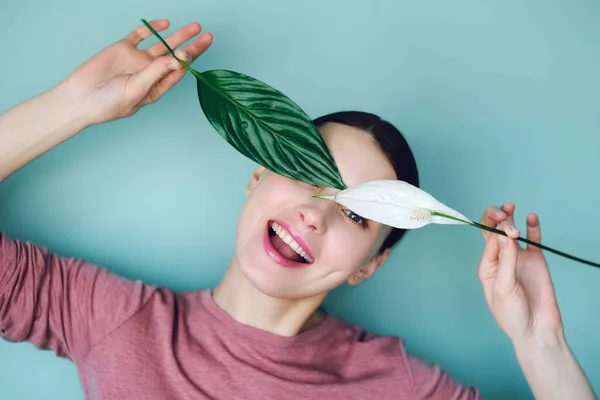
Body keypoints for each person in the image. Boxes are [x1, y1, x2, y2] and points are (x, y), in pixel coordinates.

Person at [0, 19, 596, 400]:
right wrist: (72, 105)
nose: (318, 213)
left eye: (359, 215)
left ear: (369, 266)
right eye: (312, 174)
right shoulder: (117, 324)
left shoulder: (397, 388)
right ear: (258, 173)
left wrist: (539, 342)